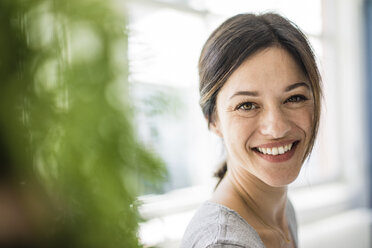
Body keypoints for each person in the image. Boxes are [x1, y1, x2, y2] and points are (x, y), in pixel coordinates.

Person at [181, 12, 322, 248]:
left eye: (294, 98)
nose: (277, 128)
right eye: (246, 105)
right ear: (212, 120)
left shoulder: (282, 210)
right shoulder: (224, 243)